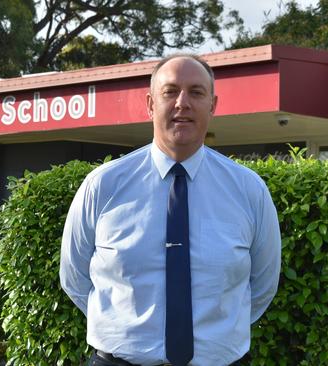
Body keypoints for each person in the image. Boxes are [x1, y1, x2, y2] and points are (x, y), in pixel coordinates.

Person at [59, 54, 281, 366]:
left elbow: (263, 285)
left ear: (213, 105)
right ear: (150, 104)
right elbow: (74, 278)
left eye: (196, 92)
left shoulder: (249, 191)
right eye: (170, 91)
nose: (182, 103)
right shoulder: (102, 186)